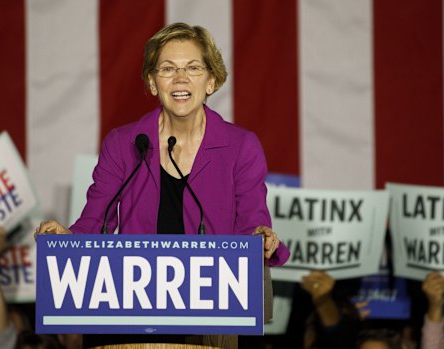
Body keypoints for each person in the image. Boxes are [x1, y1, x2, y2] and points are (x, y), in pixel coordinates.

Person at [35, 22, 290, 349]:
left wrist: (260, 238)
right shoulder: (124, 143)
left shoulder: (241, 145)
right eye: (167, 68)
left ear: (211, 80)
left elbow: (253, 222)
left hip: (210, 307)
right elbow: (95, 222)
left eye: (193, 68)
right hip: (130, 306)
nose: (181, 78)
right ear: (152, 83)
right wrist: (66, 241)